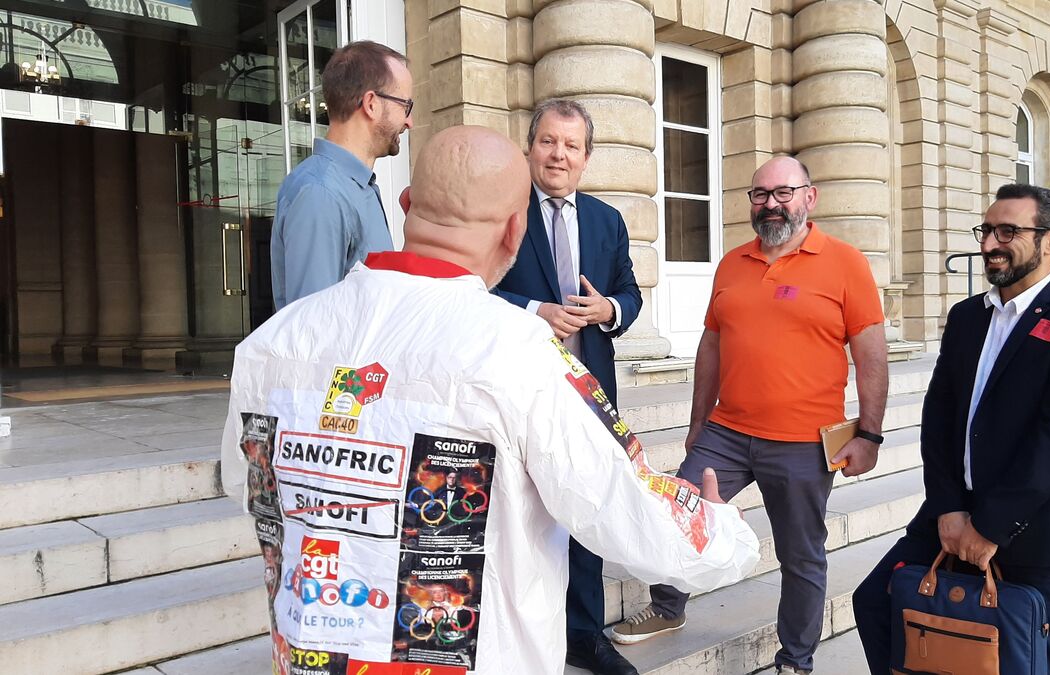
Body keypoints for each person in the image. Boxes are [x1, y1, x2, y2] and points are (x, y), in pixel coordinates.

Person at [221, 125, 760, 675]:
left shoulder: (270, 343)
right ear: (515, 230)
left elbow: (246, 489)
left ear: (406, 205)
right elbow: (625, 513)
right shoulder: (524, 353)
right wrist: (718, 531)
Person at [612, 157, 888, 675]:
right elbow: (711, 344)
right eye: (760, 194)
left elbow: (872, 355)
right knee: (675, 517)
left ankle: (796, 660)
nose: (771, 204)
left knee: (801, 556)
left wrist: (869, 433)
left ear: (810, 196)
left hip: (805, 442)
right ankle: (667, 609)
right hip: (728, 432)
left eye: (783, 193)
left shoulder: (845, 262)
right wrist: (698, 423)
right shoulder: (732, 263)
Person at [851, 183, 1050, 675]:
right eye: (987, 230)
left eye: (1008, 231)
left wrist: (991, 527)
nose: (991, 243)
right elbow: (940, 416)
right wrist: (949, 509)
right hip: (952, 515)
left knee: (1033, 661)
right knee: (876, 603)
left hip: (1042, 526)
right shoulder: (967, 316)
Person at [493, 98, 643, 674]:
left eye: (571, 145)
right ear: (530, 147)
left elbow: (630, 292)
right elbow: (471, 287)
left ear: (586, 157)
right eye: (548, 142)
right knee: (520, 514)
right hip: (519, 393)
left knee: (586, 510)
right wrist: (533, 309)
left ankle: (584, 633)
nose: (559, 154)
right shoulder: (503, 211)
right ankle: (521, 631)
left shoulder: (607, 220)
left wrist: (609, 309)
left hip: (588, 397)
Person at [270, 40, 414, 309]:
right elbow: (313, 331)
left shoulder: (356, 186)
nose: (409, 121)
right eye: (405, 106)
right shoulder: (320, 193)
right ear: (371, 104)